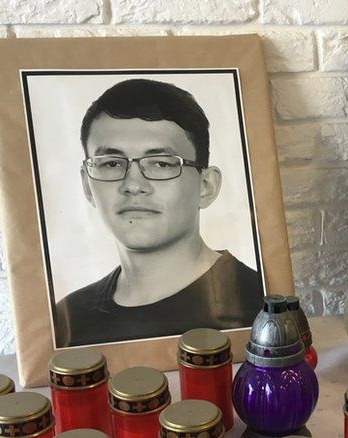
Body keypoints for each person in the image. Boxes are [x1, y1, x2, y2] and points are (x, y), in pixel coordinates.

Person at [54, 78, 264, 347]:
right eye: (111, 164)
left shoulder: (258, 307)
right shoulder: (68, 319)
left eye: (161, 164)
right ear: (87, 184)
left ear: (206, 186)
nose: (133, 185)